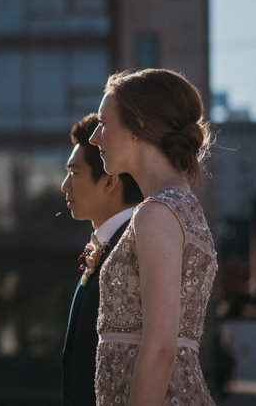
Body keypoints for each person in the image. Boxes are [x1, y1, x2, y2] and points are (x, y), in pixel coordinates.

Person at [89, 68, 218, 405]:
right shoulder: (182, 208)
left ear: (138, 125)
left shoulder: (156, 214)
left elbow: (160, 349)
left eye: (104, 123)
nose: (95, 137)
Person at [61, 113, 143, 406]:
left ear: (109, 181)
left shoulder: (135, 246)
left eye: (75, 172)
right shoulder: (109, 244)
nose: (65, 186)